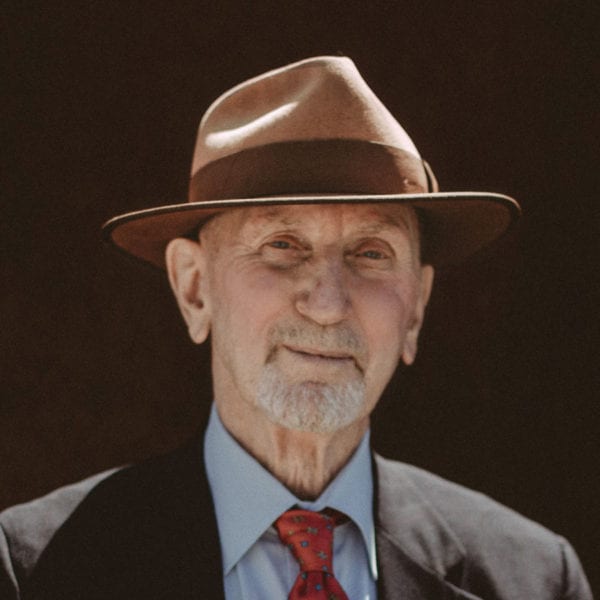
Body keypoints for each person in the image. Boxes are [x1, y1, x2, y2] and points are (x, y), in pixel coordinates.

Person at [0, 56, 591, 600]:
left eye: (371, 252)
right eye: (282, 246)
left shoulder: (534, 579)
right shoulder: (34, 570)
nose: (328, 304)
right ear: (195, 289)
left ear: (415, 308)